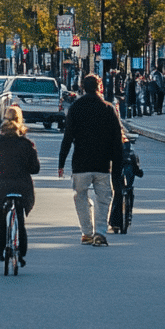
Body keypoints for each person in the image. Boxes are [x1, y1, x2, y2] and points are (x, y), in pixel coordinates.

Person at [58, 74, 123, 246]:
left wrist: (61, 163)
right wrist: (117, 165)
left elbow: (68, 138)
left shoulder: (75, 107)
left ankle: (87, 232)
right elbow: (117, 140)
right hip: (102, 164)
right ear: (99, 87)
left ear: (82, 87)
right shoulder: (108, 109)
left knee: (80, 196)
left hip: (81, 163)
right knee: (103, 198)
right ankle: (100, 232)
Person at [0, 106, 39, 264]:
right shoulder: (27, 143)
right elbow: (35, 168)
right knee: (19, 216)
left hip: (1, 188)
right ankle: (21, 251)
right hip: (23, 188)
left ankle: (1, 249)